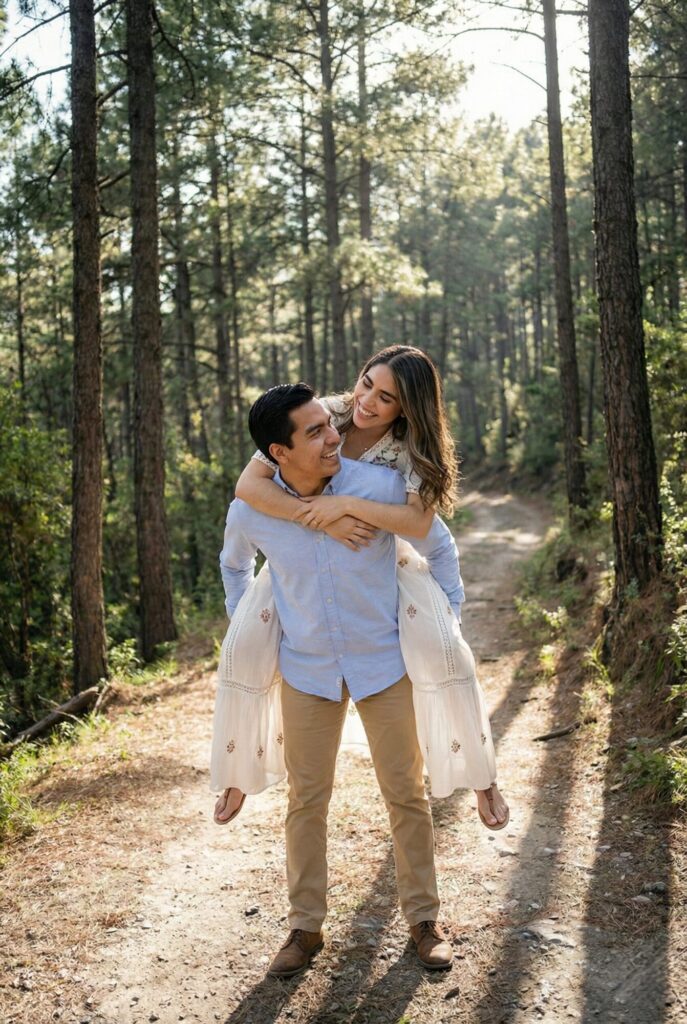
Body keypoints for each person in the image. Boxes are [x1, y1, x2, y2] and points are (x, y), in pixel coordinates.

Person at [217, 382, 461, 975]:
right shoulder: (252, 510)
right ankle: (304, 929)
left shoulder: (378, 489)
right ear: (279, 452)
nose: (335, 436)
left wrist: (448, 621)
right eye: (316, 432)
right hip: (306, 669)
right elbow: (233, 565)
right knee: (306, 801)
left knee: (406, 794)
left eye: (330, 424)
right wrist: (250, 629)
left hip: (384, 663)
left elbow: (440, 545)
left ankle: (424, 920)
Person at [212, 346, 509, 830]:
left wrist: (345, 506)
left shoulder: (412, 448)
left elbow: (420, 525)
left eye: (386, 398)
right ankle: (239, 772)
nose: (367, 402)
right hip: (301, 554)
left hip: (383, 556)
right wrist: (319, 519)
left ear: (407, 409)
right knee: (246, 648)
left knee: (446, 652)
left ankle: (481, 777)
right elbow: (248, 486)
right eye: (367, 383)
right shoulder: (328, 412)